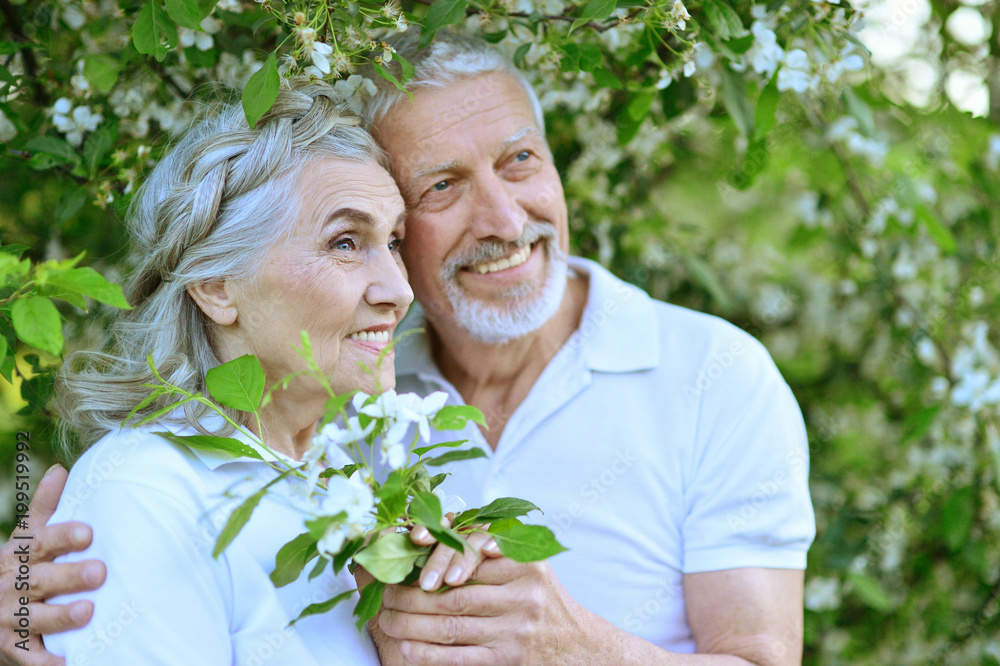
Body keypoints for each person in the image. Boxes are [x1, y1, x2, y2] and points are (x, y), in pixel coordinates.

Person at [1, 32, 815, 666]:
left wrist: (571, 649)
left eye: (521, 159)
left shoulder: (716, 376)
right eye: (442, 187)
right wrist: (43, 595)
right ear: (216, 287)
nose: (502, 218)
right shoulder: (335, 427)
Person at [4, 79, 418, 664]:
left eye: (394, 241)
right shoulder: (146, 493)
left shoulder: (341, 482)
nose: (399, 291)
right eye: (346, 242)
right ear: (217, 287)